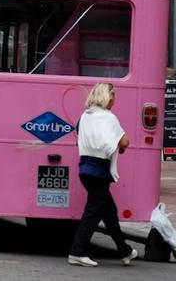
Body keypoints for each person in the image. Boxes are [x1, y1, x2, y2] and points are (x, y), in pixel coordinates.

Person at [68, 82, 137, 267]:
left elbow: (78, 139)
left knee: (109, 212)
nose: (115, 100)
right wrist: (117, 147)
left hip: (85, 170)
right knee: (92, 213)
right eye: (113, 96)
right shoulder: (109, 118)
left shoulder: (84, 117)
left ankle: (125, 250)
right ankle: (77, 251)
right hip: (100, 171)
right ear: (107, 97)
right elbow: (124, 142)